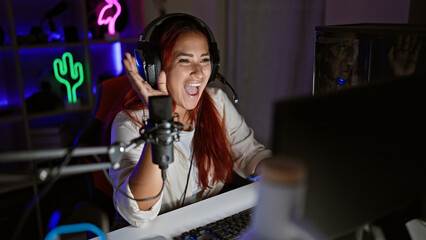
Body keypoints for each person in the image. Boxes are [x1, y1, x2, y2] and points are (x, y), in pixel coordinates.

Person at [108, 13, 271, 227]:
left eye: (204, 60)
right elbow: (138, 212)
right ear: (155, 67)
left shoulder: (217, 103)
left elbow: (250, 154)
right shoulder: (130, 124)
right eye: (184, 60)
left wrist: (283, 173)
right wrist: (160, 121)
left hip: (211, 225)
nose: (198, 73)